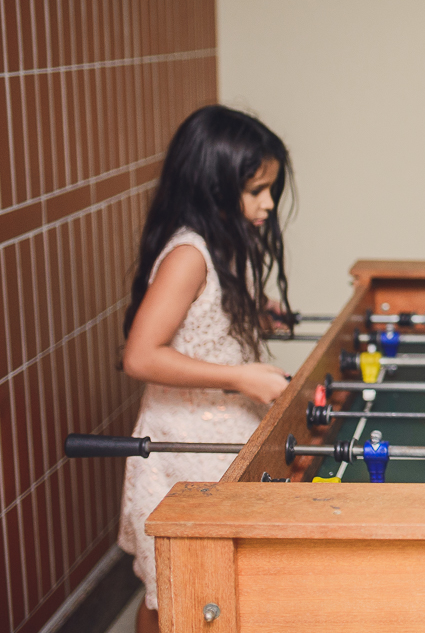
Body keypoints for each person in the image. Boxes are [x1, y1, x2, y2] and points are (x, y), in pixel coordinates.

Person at [118, 106, 295, 633]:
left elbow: (204, 312)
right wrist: (241, 375)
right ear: (212, 184)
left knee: (213, 585)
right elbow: (140, 356)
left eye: (271, 189)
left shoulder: (224, 238)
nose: (267, 204)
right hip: (181, 447)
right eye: (256, 190)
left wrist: (256, 309)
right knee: (170, 590)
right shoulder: (188, 255)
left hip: (221, 435)